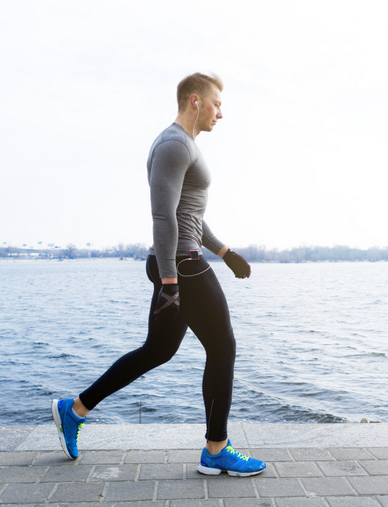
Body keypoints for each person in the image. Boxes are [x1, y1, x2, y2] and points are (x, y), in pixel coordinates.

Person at [52, 72, 265, 477]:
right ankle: (217, 449)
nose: (222, 112)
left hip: (183, 260)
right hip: (182, 265)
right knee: (223, 349)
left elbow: (189, 215)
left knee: (158, 350)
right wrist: (170, 282)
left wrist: (224, 251)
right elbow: (163, 216)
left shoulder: (185, 146)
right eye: (216, 103)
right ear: (195, 101)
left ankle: (74, 410)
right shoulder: (173, 144)